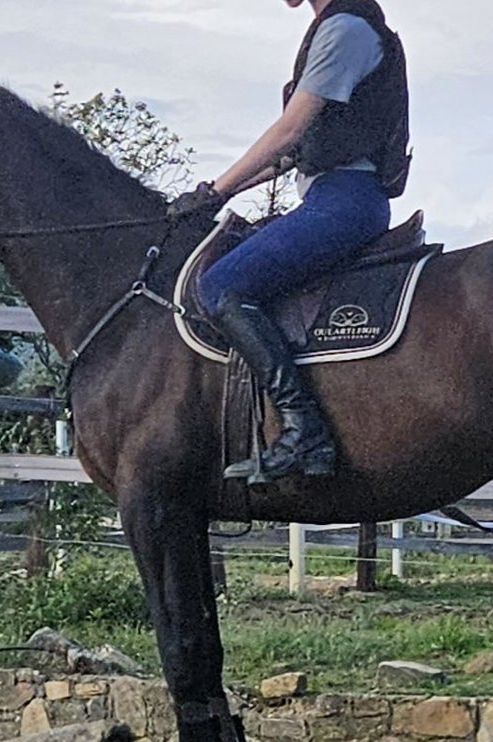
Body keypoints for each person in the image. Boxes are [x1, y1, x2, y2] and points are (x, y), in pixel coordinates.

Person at [168, 0, 410, 482]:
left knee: (220, 286)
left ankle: (303, 427)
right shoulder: (335, 28)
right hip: (329, 193)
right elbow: (293, 153)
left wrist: (215, 190)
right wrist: (217, 196)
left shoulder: (346, 29)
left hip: (344, 200)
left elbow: (289, 130)